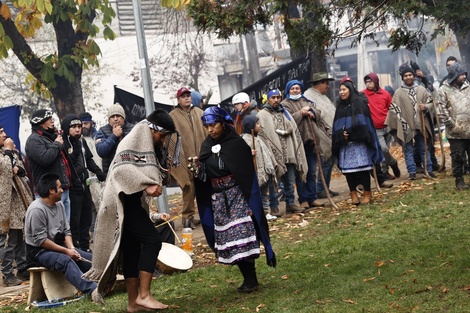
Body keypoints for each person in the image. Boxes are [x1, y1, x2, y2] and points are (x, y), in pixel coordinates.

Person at [83, 110, 178, 311]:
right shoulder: (130, 141)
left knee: (133, 250)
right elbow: (120, 170)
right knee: (152, 240)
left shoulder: (142, 140)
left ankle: (133, 303)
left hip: (129, 203)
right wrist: (145, 184)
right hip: (122, 204)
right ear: (152, 129)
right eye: (161, 135)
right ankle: (144, 295)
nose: (162, 140)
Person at [192, 106, 276, 293]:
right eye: (207, 126)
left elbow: (245, 173)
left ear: (222, 123)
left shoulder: (236, 144)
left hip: (237, 194)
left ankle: (251, 278)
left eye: (213, 125)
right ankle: (248, 277)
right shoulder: (206, 146)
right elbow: (205, 176)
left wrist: (249, 199)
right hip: (219, 199)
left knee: (241, 234)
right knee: (230, 237)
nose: (210, 130)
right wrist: (199, 172)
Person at [24, 173, 97, 296]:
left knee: (91, 259)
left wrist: (72, 249)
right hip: (39, 252)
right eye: (59, 187)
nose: (62, 190)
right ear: (51, 191)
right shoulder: (37, 209)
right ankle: (93, 290)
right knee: (66, 260)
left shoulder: (59, 204)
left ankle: (107, 282)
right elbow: (41, 241)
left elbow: (66, 231)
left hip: (58, 246)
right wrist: (66, 252)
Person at [332, 77, 383, 205]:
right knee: (349, 172)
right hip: (346, 145)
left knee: (363, 169)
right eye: (340, 90)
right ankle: (353, 193)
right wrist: (340, 134)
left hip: (359, 144)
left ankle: (367, 193)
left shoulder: (359, 103)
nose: (342, 92)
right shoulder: (339, 106)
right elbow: (336, 125)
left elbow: (364, 124)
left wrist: (350, 132)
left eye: (344, 90)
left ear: (350, 89)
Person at [257, 89, 308, 214]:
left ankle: (290, 204)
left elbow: (294, 130)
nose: (276, 100)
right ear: (268, 99)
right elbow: (263, 135)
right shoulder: (262, 115)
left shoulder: (285, 113)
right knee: (274, 182)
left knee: (290, 180)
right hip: (272, 155)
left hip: (289, 153)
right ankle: (274, 207)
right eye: (273, 97)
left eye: (278, 97)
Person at [61, 115, 106, 252]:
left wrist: (99, 172)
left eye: (79, 127)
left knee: (86, 218)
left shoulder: (82, 142)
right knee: (74, 219)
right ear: (66, 129)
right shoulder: (63, 143)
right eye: (73, 127)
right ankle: (75, 247)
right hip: (72, 187)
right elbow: (68, 162)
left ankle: (86, 247)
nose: (77, 130)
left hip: (84, 184)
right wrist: (73, 149)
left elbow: (89, 160)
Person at [386, 65, 437, 180]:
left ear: (413, 76)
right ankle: (412, 172)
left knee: (424, 147)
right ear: (402, 78)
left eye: (410, 75)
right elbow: (394, 110)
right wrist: (399, 121)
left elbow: (431, 102)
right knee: (408, 149)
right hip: (405, 125)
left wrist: (426, 106)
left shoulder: (421, 89)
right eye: (405, 75)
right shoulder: (398, 93)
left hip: (421, 123)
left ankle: (428, 169)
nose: (408, 77)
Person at [281, 79, 323, 209]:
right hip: (296, 143)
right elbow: (287, 120)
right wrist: (301, 113)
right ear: (288, 90)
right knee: (301, 172)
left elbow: (318, 112)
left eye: (297, 88)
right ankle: (303, 199)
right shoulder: (284, 104)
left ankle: (313, 197)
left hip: (311, 141)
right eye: (293, 88)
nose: (295, 91)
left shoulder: (306, 101)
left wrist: (312, 113)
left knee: (311, 171)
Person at [169, 87, 207, 229]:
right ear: (178, 99)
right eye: (183, 96)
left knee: (204, 189)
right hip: (185, 158)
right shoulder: (173, 116)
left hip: (201, 159)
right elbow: (171, 139)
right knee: (188, 190)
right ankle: (187, 219)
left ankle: (206, 216)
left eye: (188, 96)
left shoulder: (200, 113)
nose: (187, 98)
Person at [25, 109, 72, 222]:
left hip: (62, 189)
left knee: (65, 230)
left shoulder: (50, 137)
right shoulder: (33, 140)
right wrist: (56, 144)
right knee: (52, 231)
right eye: (49, 119)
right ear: (41, 123)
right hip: (48, 194)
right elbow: (45, 159)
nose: (53, 121)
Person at [0, 127, 33, 286]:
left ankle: (22, 267)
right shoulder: (5, 152)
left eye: (4, 131)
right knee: (8, 240)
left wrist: (17, 168)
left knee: (20, 237)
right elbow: (5, 170)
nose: (5, 135)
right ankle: (7, 274)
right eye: (0, 132)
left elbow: (21, 169)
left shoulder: (7, 152)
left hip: (17, 203)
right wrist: (7, 151)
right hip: (5, 205)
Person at [304, 72, 339, 199]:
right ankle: (320, 189)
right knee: (323, 164)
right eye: (326, 83)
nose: (328, 86)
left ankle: (325, 188)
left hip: (329, 135)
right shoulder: (309, 96)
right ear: (319, 83)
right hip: (317, 136)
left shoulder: (321, 96)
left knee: (329, 162)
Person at [361, 72, 401, 180]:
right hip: (375, 128)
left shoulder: (385, 94)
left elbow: (391, 109)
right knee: (383, 149)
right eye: (366, 82)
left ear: (376, 81)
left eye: (370, 81)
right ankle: (393, 163)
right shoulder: (362, 95)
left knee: (385, 150)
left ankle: (385, 172)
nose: (368, 84)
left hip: (387, 126)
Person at [437, 62, 470, 190]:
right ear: (454, 75)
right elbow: (441, 110)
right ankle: (459, 181)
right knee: (458, 157)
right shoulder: (443, 90)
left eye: (464, 74)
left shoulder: (468, 86)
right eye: (461, 75)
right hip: (455, 132)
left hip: (469, 129)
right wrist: (452, 124)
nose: (464, 77)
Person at [241, 115, 278, 219]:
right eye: (257, 124)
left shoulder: (258, 138)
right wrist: (248, 153)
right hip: (253, 173)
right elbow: (240, 156)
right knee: (256, 195)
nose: (260, 126)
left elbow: (265, 153)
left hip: (263, 173)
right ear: (251, 126)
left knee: (264, 193)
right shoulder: (244, 140)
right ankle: (257, 213)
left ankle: (265, 212)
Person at [96, 103, 134, 175]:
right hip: (111, 173)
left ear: (123, 118)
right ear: (109, 119)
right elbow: (101, 151)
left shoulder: (133, 129)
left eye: (118, 116)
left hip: (131, 171)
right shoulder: (102, 131)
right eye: (112, 116)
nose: (115, 119)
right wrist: (114, 136)